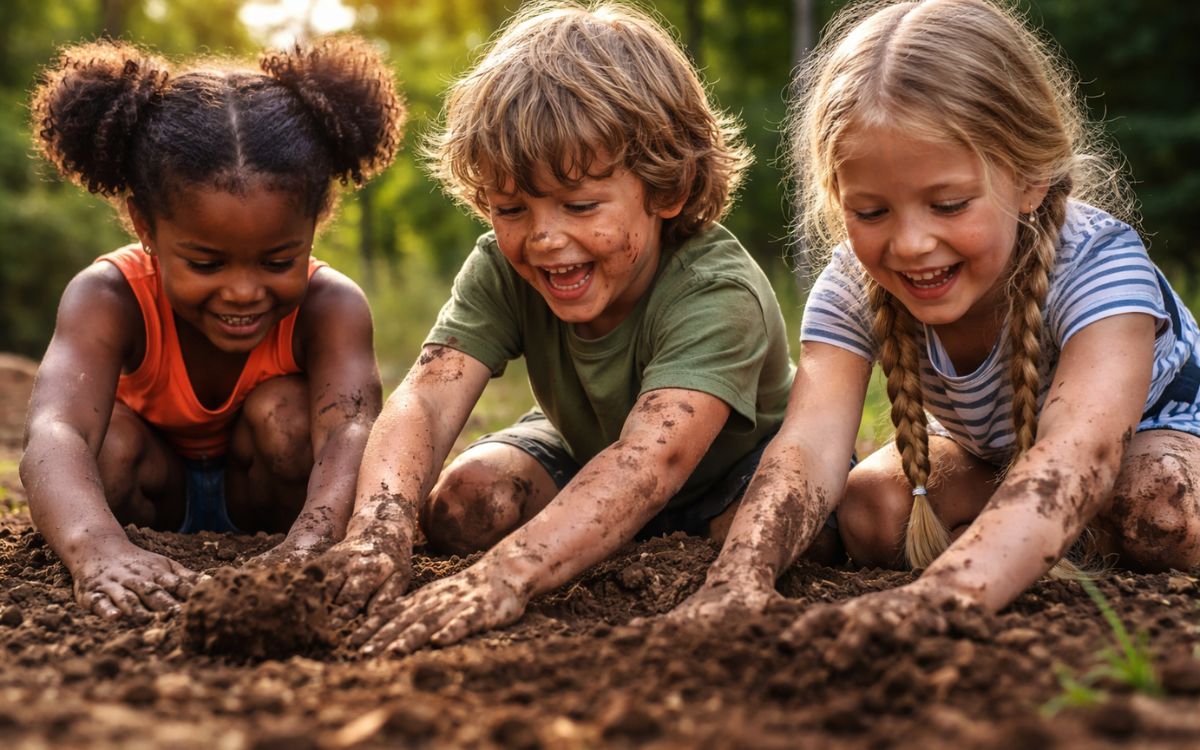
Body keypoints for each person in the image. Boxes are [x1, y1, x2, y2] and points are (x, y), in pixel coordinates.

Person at [670, 0, 1200, 630]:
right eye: (871, 213)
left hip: (1149, 439)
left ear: (1030, 178)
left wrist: (939, 595)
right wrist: (737, 578)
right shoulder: (851, 283)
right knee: (868, 511)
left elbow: (1080, 452)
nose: (911, 244)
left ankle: (1012, 545)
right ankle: (1019, 539)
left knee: (1160, 506)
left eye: (948, 205)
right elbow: (808, 445)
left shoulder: (1099, 263)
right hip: (992, 455)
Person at [313, 0, 794, 654]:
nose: (544, 238)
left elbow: (651, 461)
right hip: (587, 441)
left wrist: (506, 576)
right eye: (512, 207)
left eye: (580, 205)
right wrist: (378, 529)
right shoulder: (503, 268)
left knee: (781, 528)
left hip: (728, 470)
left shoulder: (716, 290)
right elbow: (426, 396)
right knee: (465, 506)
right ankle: (581, 532)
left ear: (668, 191)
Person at [20, 36, 403, 621]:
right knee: (111, 442)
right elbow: (56, 431)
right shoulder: (107, 296)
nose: (244, 291)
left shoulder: (332, 306)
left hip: (268, 505)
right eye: (206, 264)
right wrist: (97, 551)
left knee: (287, 415)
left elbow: (349, 432)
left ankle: (289, 539)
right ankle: (126, 550)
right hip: (152, 500)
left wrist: (312, 547)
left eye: (277, 262)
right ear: (146, 227)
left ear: (315, 221)